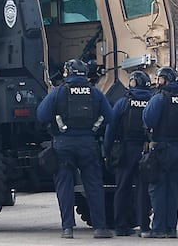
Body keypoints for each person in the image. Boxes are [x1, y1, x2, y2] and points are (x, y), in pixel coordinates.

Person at [37, 59, 115, 239]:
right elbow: (110, 117)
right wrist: (95, 126)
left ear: (67, 73)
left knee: (65, 185)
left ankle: (67, 228)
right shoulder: (95, 93)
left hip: (63, 144)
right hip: (88, 143)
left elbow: (41, 115)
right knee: (94, 185)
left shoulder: (58, 93)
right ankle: (100, 228)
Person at [142, 66, 178, 238]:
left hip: (161, 148)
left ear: (164, 79)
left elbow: (149, 119)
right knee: (174, 190)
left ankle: (158, 228)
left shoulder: (160, 98)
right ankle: (171, 228)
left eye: (159, 79)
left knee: (157, 188)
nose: (157, 82)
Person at [104, 70, 154, 237]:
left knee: (122, 189)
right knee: (143, 189)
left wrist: (107, 150)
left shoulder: (123, 102)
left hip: (126, 150)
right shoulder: (153, 101)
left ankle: (121, 226)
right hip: (146, 150)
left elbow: (111, 128)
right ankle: (145, 227)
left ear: (133, 82)